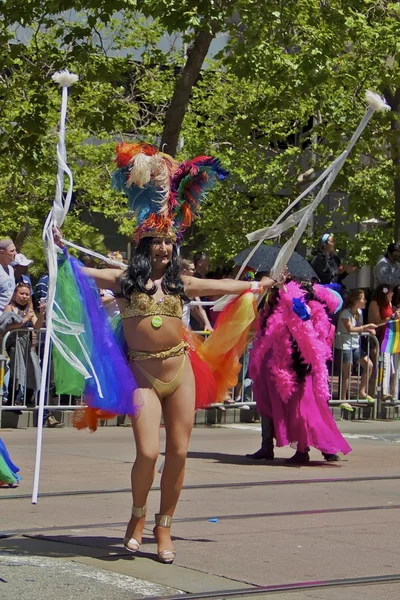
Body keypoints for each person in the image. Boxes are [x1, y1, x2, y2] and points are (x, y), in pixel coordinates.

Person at [56, 142, 275, 563]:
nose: (164, 250)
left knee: (177, 452)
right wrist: (61, 247)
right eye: (156, 243)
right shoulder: (125, 281)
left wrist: (254, 287)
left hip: (182, 374)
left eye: (169, 244)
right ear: (143, 246)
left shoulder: (180, 285)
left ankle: (164, 526)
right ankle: (137, 518)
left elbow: (223, 287)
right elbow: (80, 269)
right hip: (141, 375)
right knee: (148, 452)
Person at [249, 279, 352, 464]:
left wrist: (288, 296)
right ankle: (267, 447)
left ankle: (308, 449)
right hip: (272, 364)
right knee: (267, 404)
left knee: (303, 409)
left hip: (297, 366)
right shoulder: (272, 306)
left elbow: (306, 330)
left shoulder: (304, 307)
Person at [0, 283, 44, 408]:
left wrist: (40, 314)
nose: (24, 296)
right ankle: (11, 401)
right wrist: (24, 321)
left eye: (27, 294)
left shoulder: (29, 311)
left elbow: (37, 326)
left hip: (28, 345)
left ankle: (28, 398)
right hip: (14, 344)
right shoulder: (9, 308)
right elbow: (5, 326)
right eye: (22, 293)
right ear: (15, 295)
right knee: (16, 372)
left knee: (33, 369)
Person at [335, 289, 377, 402]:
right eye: (363, 299)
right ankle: (343, 399)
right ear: (356, 300)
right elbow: (350, 329)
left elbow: (359, 327)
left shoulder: (359, 312)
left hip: (355, 345)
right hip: (345, 345)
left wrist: (369, 330)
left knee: (369, 365)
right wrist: (366, 327)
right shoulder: (345, 313)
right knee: (347, 373)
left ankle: (362, 391)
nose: (365, 301)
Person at [368, 284, 400, 401]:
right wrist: (392, 317)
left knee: (390, 368)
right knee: (377, 368)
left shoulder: (390, 304)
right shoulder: (375, 303)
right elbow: (377, 322)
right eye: (390, 293)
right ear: (385, 293)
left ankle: (387, 393)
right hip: (378, 338)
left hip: (390, 339)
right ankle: (373, 395)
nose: (392, 295)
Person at [0, 239, 16, 313]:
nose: (15, 253)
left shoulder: (11, 269)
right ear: (2, 253)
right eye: (12, 251)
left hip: (8, 315)